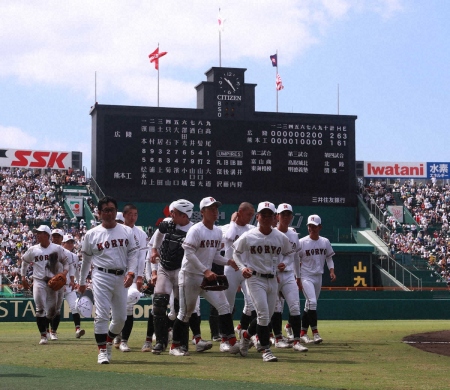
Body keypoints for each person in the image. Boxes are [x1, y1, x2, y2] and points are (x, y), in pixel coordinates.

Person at [169, 196, 240, 356]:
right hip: (190, 276)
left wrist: (228, 261)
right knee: (185, 313)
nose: (215, 211)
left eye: (216, 208)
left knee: (224, 306)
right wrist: (205, 270)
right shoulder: (196, 229)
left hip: (205, 277)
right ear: (202, 212)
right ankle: (174, 347)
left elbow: (214, 255)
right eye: (211, 209)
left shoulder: (216, 232)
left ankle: (231, 342)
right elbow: (188, 254)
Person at [78, 196, 139, 364]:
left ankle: (109, 339)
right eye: (105, 210)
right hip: (101, 275)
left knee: (120, 319)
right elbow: (86, 261)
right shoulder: (91, 234)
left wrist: (132, 273)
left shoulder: (126, 231)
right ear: (99, 213)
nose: (109, 213)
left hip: (122, 276)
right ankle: (102, 351)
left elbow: (134, 254)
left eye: (112, 209)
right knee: (102, 314)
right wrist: (82, 281)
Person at [233, 201, 294, 362]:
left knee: (268, 315)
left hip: (273, 278)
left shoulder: (280, 237)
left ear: (275, 218)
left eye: (269, 215)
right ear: (257, 217)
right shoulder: (249, 236)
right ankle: (265, 349)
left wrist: (285, 264)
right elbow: (236, 253)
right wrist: (242, 268)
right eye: (263, 215)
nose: (266, 218)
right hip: (255, 278)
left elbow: (289, 254)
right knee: (263, 314)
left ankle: (246, 335)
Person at [149, 199, 197, 354]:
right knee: (158, 304)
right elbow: (159, 234)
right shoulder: (168, 223)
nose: (171, 214)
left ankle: (182, 343)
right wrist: (155, 249)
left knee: (181, 308)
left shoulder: (194, 230)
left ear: (184, 215)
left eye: (174, 213)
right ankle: (161, 342)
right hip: (164, 267)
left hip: (182, 270)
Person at [20, 225, 69, 345]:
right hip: (39, 280)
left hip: (53, 282)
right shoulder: (33, 249)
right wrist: (23, 277)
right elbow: (25, 262)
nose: (37, 235)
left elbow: (66, 262)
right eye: (37, 233)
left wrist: (64, 273)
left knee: (51, 312)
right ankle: (43, 335)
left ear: (46, 235)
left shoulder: (57, 248)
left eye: (40, 233)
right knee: (39, 308)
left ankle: (48, 329)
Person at [113, 204, 149, 352]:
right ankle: (115, 333)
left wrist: (139, 276)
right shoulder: (116, 231)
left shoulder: (140, 233)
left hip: (133, 276)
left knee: (130, 304)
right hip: (117, 274)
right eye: (130, 214)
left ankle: (124, 340)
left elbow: (141, 258)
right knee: (117, 308)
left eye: (135, 214)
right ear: (124, 216)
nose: (133, 217)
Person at [273, 203, 308, 352]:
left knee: (294, 306)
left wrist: (298, 277)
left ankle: (296, 341)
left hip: (288, 275)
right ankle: (278, 338)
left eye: (288, 214)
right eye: (283, 214)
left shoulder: (294, 235)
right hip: (273, 274)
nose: (286, 217)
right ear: (277, 216)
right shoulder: (271, 233)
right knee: (276, 308)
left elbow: (295, 258)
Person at [298, 214, 336, 344]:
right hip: (306, 276)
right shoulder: (302, 242)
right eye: (309, 226)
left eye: (314, 226)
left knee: (309, 306)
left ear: (320, 227)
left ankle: (302, 333)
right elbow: (296, 260)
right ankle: (315, 333)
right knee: (312, 303)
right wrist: (297, 277)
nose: (311, 228)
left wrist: (331, 270)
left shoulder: (324, 241)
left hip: (318, 276)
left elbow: (329, 258)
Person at [222, 202, 256, 340]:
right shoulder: (227, 228)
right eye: (248, 214)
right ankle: (226, 337)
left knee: (252, 302)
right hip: (231, 269)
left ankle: (251, 334)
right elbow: (228, 238)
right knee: (228, 306)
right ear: (240, 212)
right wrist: (232, 222)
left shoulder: (252, 229)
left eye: (252, 215)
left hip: (246, 270)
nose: (250, 217)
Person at [62, 233, 86, 338]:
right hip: (57, 285)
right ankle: (50, 331)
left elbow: (76, 272)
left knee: (74, 307)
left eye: (72, 242)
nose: (70, 244)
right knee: (54, 310)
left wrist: (80, 283)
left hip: (69, 286)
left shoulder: (75, 257)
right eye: (68, 242)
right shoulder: (58, 253)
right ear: (63, 243)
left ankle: (78, 329)